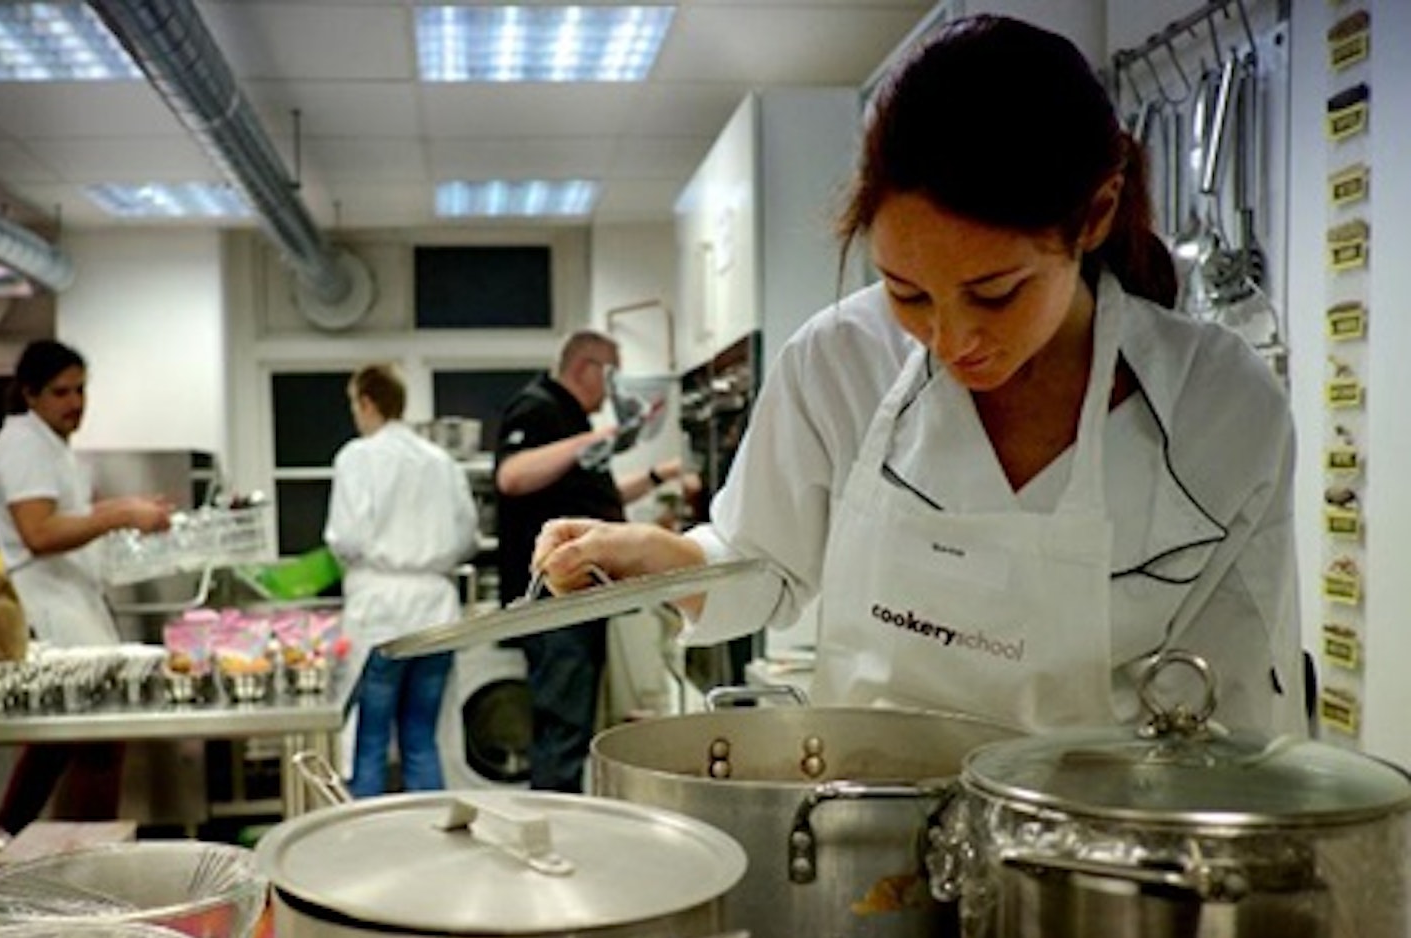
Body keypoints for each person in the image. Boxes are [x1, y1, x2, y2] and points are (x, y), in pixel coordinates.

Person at [530, 16, 1305, 736]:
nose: (950, 338)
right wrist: (653, 556)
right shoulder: (839, 360)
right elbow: (763, 564)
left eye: (996, 293)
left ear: (1096, 214)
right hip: (865, 834)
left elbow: (1239, 705)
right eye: (907, 292)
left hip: (1098, 855)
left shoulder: (1219, 406)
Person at [0, 339, 172, 852]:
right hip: (50, 610)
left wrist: (120, 511)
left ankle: (0, 847)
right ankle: (91, 865)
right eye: (61, 391)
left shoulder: (47, 444)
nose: (75, 402)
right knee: (97, 739)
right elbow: (38, 533)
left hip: (70, 604)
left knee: (55, 745)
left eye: (81, 389)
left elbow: (60, 521)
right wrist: (120, 514)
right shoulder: (22, 445)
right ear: (30, 394)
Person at [495, 330, 683, 791]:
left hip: (578, 600)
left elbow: (598, 496)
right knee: (563, 728)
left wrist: (663, 475)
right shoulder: (538, 407)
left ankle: (558, 826)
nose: (614, 387)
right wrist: (602, 435)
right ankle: (549, 837)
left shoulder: (571, 420)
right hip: (554, 603)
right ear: (585, 367)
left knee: (573, 726)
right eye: (611, 373)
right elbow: (512, 475)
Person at [324, 363, 480, 798]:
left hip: (382, 612)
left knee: (370, 742)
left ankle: (371, 853)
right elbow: (467, 537)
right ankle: (435, 848)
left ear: (367, 403)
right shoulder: (441, 461)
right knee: (420, 738)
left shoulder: (357, 456)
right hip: (436, 610)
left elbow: (347, 537)